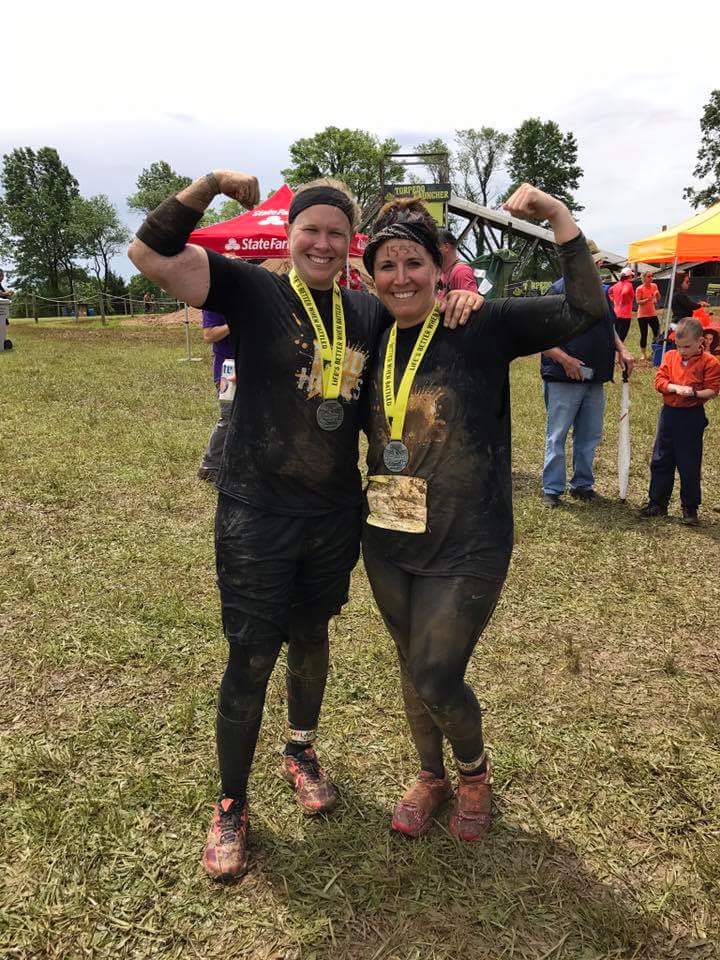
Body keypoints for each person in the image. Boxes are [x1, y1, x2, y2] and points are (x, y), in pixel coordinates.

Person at [127, 170, 481, 881]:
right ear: (289, 237)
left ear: (350, 246)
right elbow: (147, 254)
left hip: (330, 514)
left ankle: (301, 750)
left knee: (312, 637)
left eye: (335, 233)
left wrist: (461, 295)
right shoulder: (251, 290)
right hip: (255, 513)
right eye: (309, 229)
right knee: (251, 655)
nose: (322, 242)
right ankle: (231, 803)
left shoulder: (365, 310)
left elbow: (422, 307)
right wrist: (205, 187)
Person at [359, 184, 607, 842]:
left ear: (439, 269)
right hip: (387, 534)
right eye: (387, 265)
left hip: (470, 541)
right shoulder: (371, 330)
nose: (401, 276)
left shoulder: (481, 323)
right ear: (372, 275)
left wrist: (556, 217)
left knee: (438, 669)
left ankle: (473, 773)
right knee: (410, 664)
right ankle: (429, 775)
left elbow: (586, 305)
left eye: (414, 263)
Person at [540, 268, 634, 505]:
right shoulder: (558, 290)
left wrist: (621, 348)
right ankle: (552, 488)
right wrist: (565, 359)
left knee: (589, 435)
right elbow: (538, 335)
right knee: (557, 435)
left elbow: (609, 327)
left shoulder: (601, 291)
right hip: (564, 377)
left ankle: (582, 484)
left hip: (595, 377)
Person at [639, 317, 720, 525]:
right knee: (661, 458)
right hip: (669, 414)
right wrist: (674, 388)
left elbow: (713, 390)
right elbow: (659, 380)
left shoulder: (710, 362)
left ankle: (690, 507)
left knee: (689, 461)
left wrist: (694, 393)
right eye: (678, 345)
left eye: (687, 346)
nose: (682, 350)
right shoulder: (670, 356)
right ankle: (657, 502)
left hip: (691, 415)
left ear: (700, 341)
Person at [197, 309, 234, 482]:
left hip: (253, 362)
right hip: (228, 367)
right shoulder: (217, 300)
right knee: (229, 416)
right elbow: (209, 335)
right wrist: (235, 324)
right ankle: (209, 466)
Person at [438, 229, 478, 299]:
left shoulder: (461, 271)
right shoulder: (442, 273)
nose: (429, 252)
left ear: (446, 247)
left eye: (433, 248)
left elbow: (471, 305)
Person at [635, 270, 660, 359]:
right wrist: (647, 299)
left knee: (657, 333)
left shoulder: (654, 286)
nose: (651, 278)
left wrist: (657, 294)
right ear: (644, 278)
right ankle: (643, 354)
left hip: (652, 313)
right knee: (644, 334)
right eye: (649, 276)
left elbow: (658, 298)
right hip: (642, 315)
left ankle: (656, 351)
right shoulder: (639, 288)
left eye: (652, 276)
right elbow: (638, 302)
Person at [608, 267, 635, 341]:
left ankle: (615, 351)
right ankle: (618, 352)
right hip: (625, 315)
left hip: (616, 313)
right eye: (632, 276)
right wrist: (623, 300)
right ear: (629, 276)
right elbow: (625, 292)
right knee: (621, 337)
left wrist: (613, 299)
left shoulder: (617, 284)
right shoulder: (628, 284)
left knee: (616, 337)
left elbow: (609, 291)